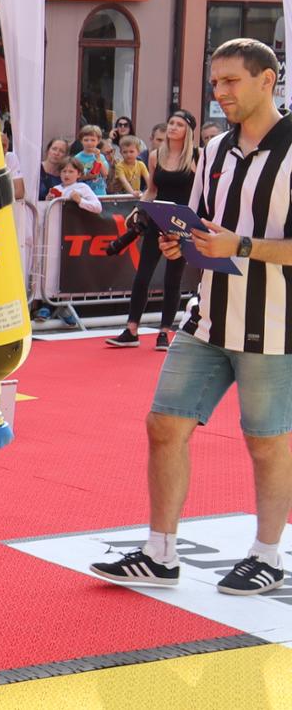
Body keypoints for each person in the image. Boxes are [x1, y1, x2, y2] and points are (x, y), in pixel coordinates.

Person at [92, 38, 292, 598]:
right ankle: (160, 552)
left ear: (266, 80)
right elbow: (203, 221)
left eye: (231, 81)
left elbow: (252, 241)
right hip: (206, 316)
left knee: (267, 442)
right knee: (164, 425)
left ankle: (268, 554)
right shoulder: (218, 149)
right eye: (216, 82)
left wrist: (242, 245)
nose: (220, 92)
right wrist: (184, 241)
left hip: (274, 322)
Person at [108, 111, 198, 350]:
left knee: (173, 278)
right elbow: (152, 190)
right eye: (171, 123)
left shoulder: (196, 156)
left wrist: (195, 220)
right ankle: (131, 329)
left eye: (179, 124)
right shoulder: (156, 156)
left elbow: (202, 192)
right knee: (142, 275)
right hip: (158, 217)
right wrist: (138, 208)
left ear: (188, 130)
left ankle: (164, 332)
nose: (173, 127)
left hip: (181, 223)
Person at [71, 124, 110, 195]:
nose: (89, 143)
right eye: (86, 140)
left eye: (93, 140)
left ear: (98, 141)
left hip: (100, 193)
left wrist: (98, 158)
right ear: (81, 141)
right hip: (84, 195)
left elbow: (105, 173)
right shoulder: (77, 158)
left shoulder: (101, 157)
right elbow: (76, 177)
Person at [39, 137, 70, 201]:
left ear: (66, 155)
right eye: (54, 149)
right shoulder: (35, 169)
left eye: (61, 151)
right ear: (48, 150)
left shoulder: (65, 176)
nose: (56, 153)